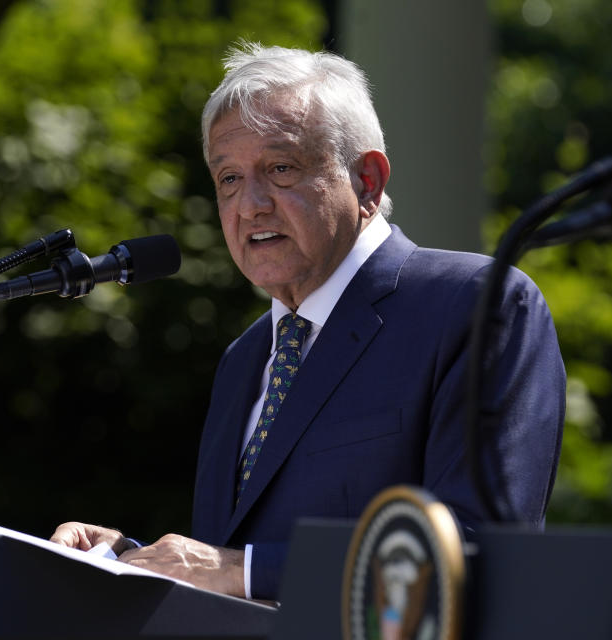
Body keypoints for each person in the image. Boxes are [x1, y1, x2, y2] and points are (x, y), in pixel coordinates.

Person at [51, 41, 565, 602]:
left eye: (280, 168)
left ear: (366, 181)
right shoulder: (244, 359)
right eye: (228, 179)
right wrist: (133, 559)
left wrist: (241, 570)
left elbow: (481, 553)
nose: (250, 205)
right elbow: (233, 572)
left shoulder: (474, 307)